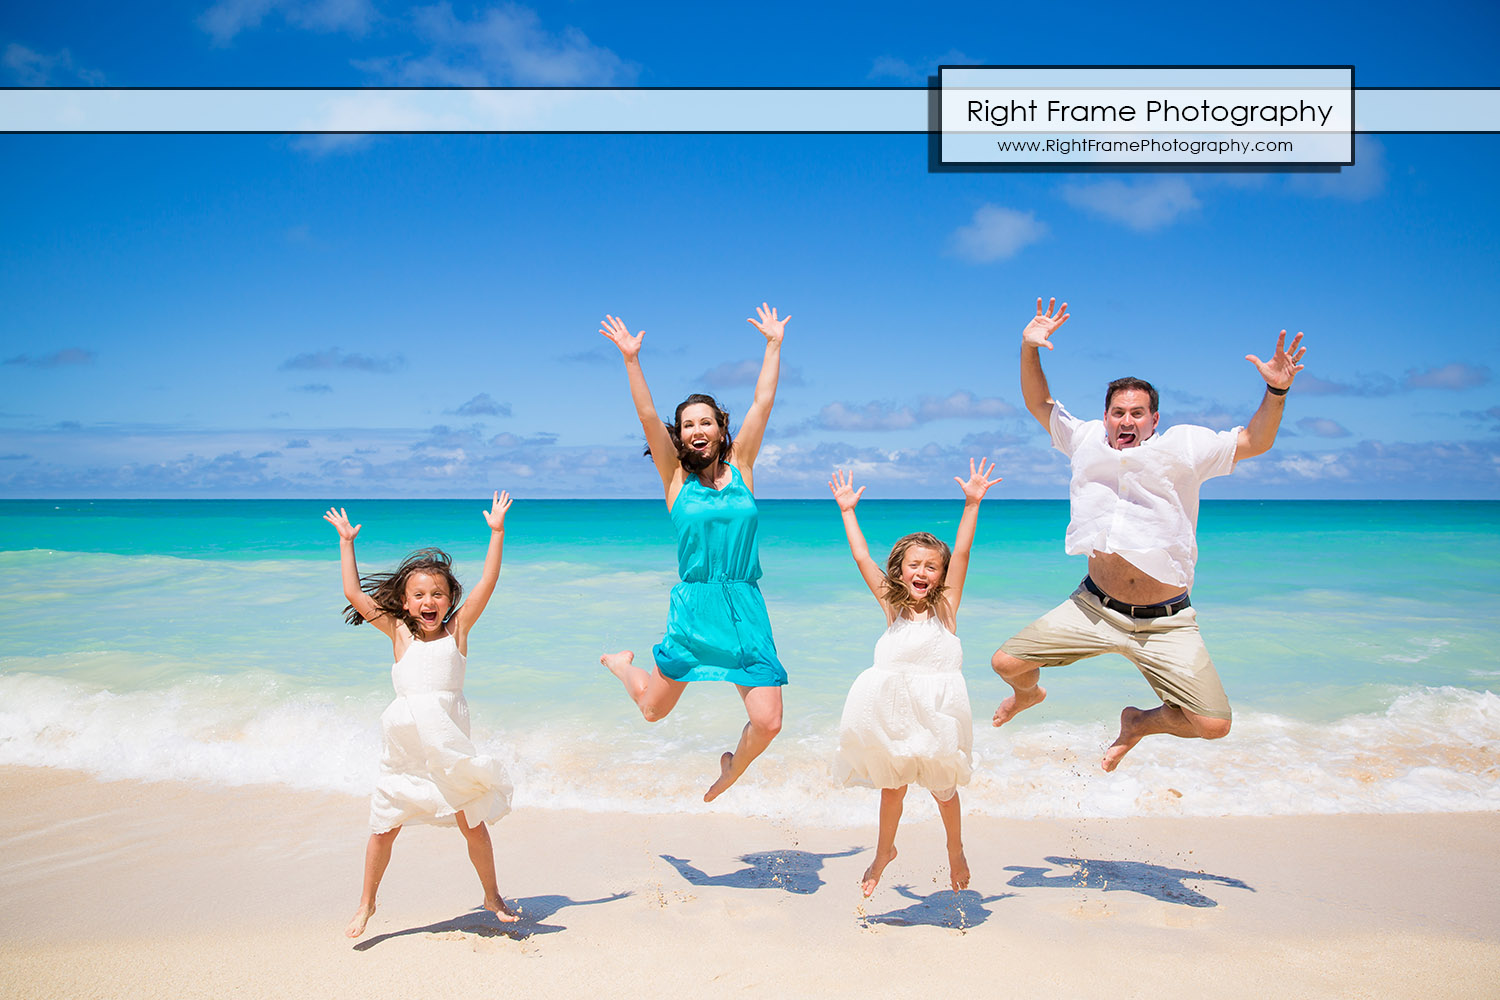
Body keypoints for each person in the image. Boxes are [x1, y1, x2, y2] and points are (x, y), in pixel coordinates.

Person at [990, 297, 1307, 772]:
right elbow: (1039, 402)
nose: (1127, 421)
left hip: (1166, 622)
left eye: (1138, 413)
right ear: (1106, 416)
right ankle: (1029, 695)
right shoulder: (1084, 440)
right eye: (1118, 412)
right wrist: (1027, 347)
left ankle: (1139, 723)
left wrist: (1276, 391)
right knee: (1007, 664)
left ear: (1154, 420)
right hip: (1094, 607)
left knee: (1213, 724)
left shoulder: (1185, 448)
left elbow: (1255, 441)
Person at [598, 304, 789, 803]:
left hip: (745, 607)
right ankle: (622, 665)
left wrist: (773, 345)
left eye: (706, 421)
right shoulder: (675, 479)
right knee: (653, 711)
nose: (697, 430)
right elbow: (645, 414)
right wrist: (631, 360)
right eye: (687, 425)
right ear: (679, 435)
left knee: (768, 722)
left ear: (721, 429)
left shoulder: (743, 466)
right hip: (696, 608)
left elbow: (762, 403)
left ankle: (731, 770)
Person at [323, 494, 518, 939]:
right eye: (419, 596)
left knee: (472, 823)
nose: (429, 602)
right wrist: (347, 542)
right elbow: (353, 593)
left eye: (438, 594)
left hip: (447, 747)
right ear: (406, 603)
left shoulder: (458, 629)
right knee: (383, 829)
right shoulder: (397, 631)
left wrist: (497, 532)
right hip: (406, 750)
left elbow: (489, 579)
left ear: (450, 599)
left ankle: (491, 895)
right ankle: (366, 903)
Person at [829, 458, 1001, 897]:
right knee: (892, 789)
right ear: (900, 570)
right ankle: (883, 852)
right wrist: (848, 511)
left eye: (931, 566)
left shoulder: (946, 610)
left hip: (938, 714)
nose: (922, 572)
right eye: (914, 565)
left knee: (945, 789)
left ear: (941, 575)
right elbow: (861, 556)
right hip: (893, 713)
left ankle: (956, 850)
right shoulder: (892, 606)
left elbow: (962, 551)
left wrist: (972, 503)